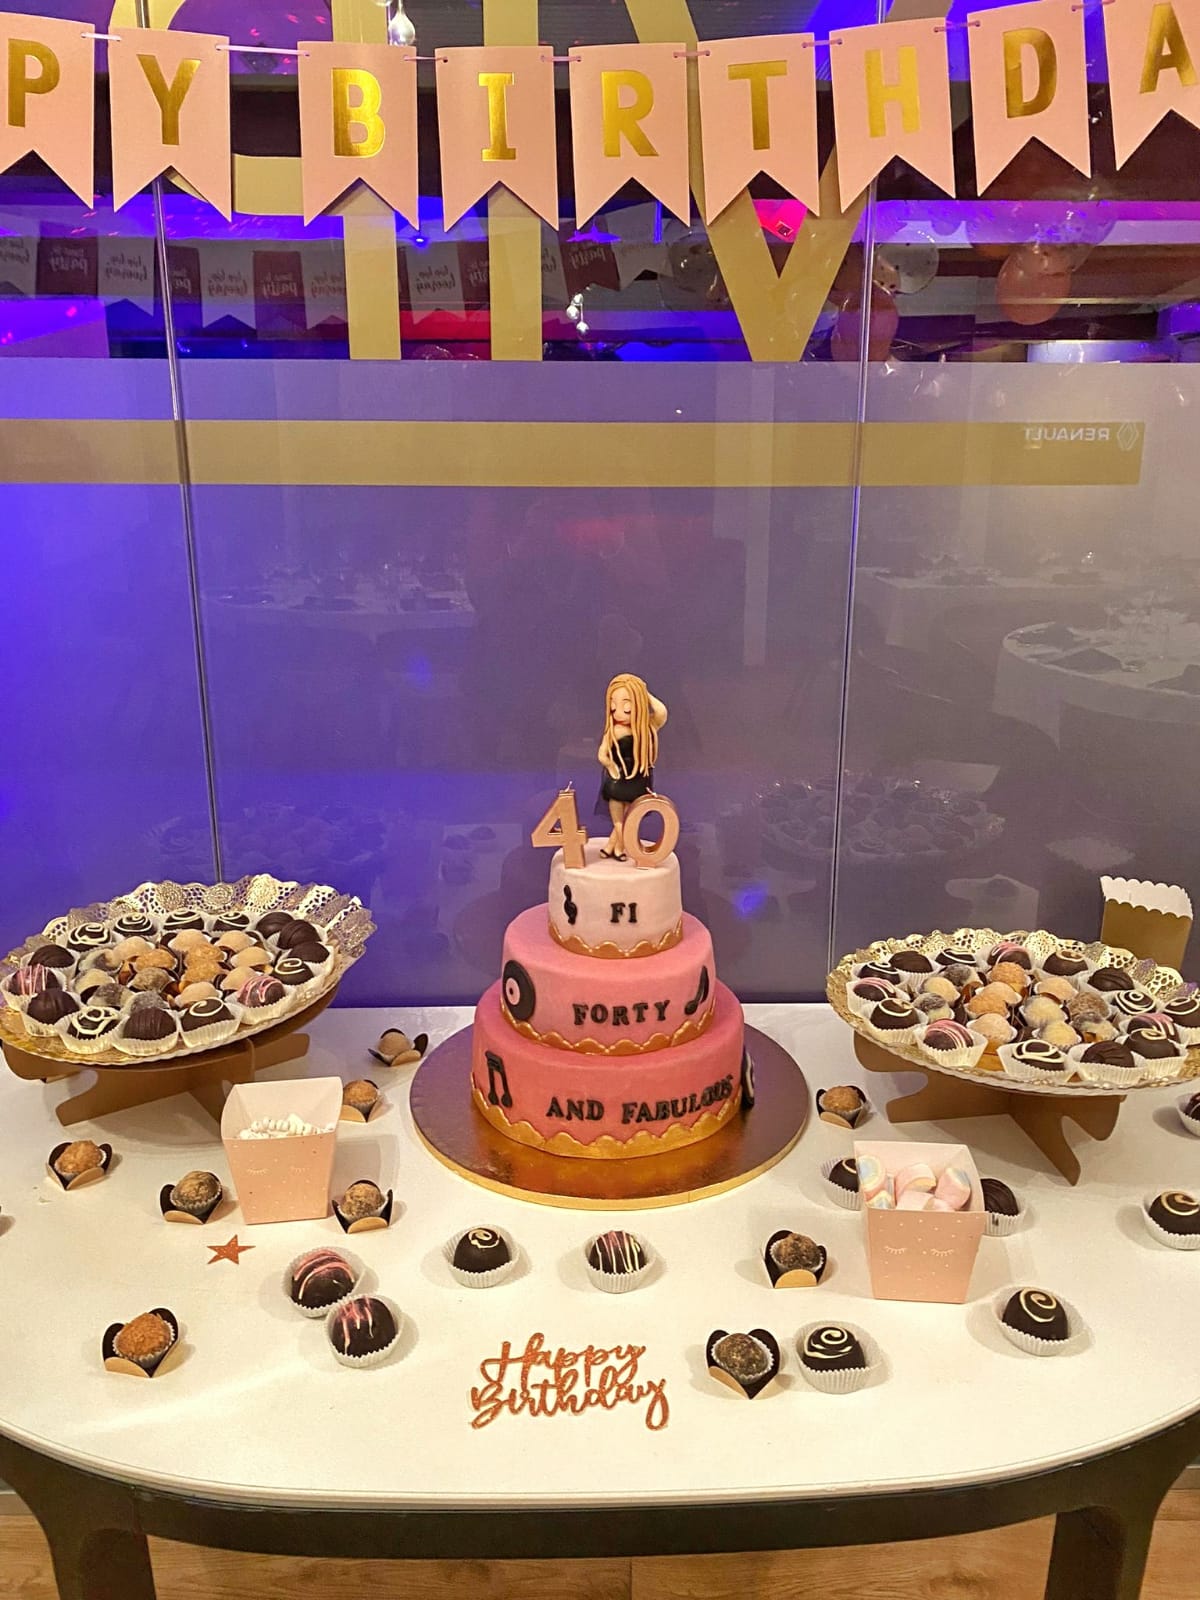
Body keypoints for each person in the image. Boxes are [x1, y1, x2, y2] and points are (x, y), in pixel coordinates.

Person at [595, 673, 668, 859]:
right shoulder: (613, 731)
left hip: (637, 779)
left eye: (627, 709)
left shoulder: (646, 727)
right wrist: (611, 767)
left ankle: (614, 846)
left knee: (629, 817)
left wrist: (644, 692)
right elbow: (602, 754)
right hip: (617, 779)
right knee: (617, 819)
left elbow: (661, 712)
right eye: (613, 708)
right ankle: (620, 846)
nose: (619, 714)